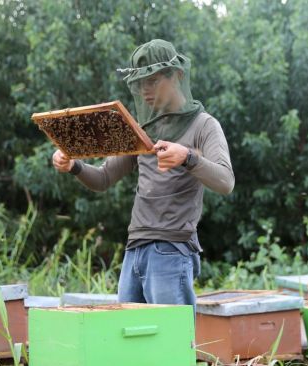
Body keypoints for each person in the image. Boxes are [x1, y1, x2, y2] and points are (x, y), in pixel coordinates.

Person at [52, 39, 234, 306]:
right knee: (132, 339)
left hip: (172, 248)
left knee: (172, 341)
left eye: (153, 81)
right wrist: (74, 166)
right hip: (135, 247)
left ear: (177, 76)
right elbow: (104, 178)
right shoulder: (141, 129)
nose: (145, 90)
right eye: (140, 83)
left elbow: (226, 182)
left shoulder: (204, 125)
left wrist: (188, 157)